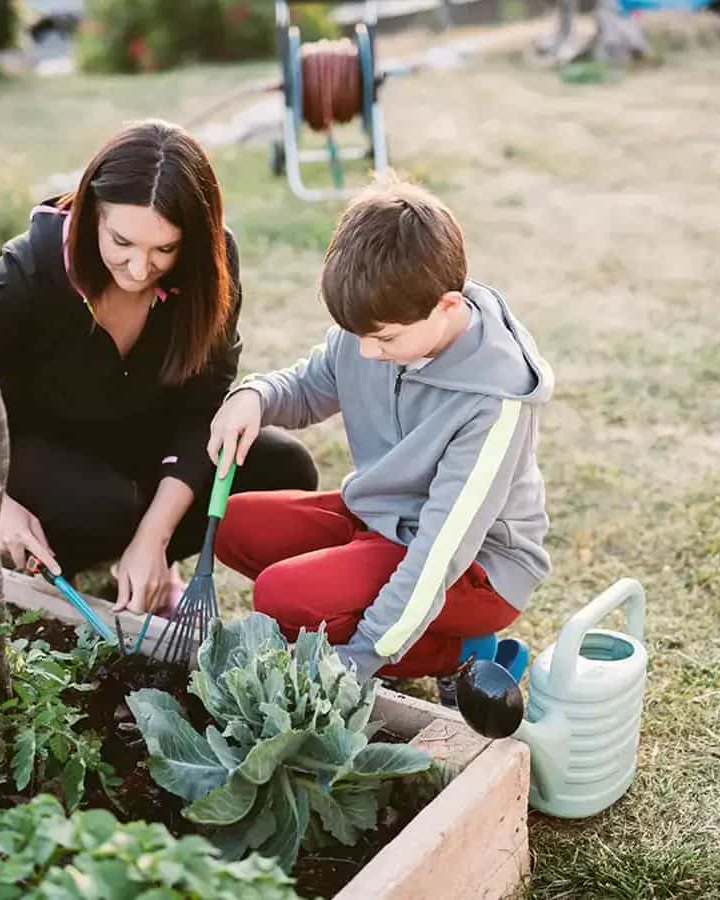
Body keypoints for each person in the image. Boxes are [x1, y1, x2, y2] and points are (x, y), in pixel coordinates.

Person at [0, 120, 318, 616]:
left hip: (149, 444)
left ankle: (145, 560)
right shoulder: (26, 274)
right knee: (108, 507)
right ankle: (79, 551)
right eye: (121, 242)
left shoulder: (211, 265)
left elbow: (203, 405)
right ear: (91, 215)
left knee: (284, 467)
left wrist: (156, 537)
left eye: (164, 249)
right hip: (45, 454)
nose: (140, 269)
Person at [207, 178, 551, 683]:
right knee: (231, 525)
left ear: (448, 307)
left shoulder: (494, 402)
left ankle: (461, 652)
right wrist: (253, 395)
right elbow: (311, 385)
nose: (367, 352)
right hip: (380, 519)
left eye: (384, 338)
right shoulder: (380, 323)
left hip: (474, 569)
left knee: (281, 596)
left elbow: (439, 552)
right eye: (358, 335)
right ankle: (388, 619)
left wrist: (359, 658)